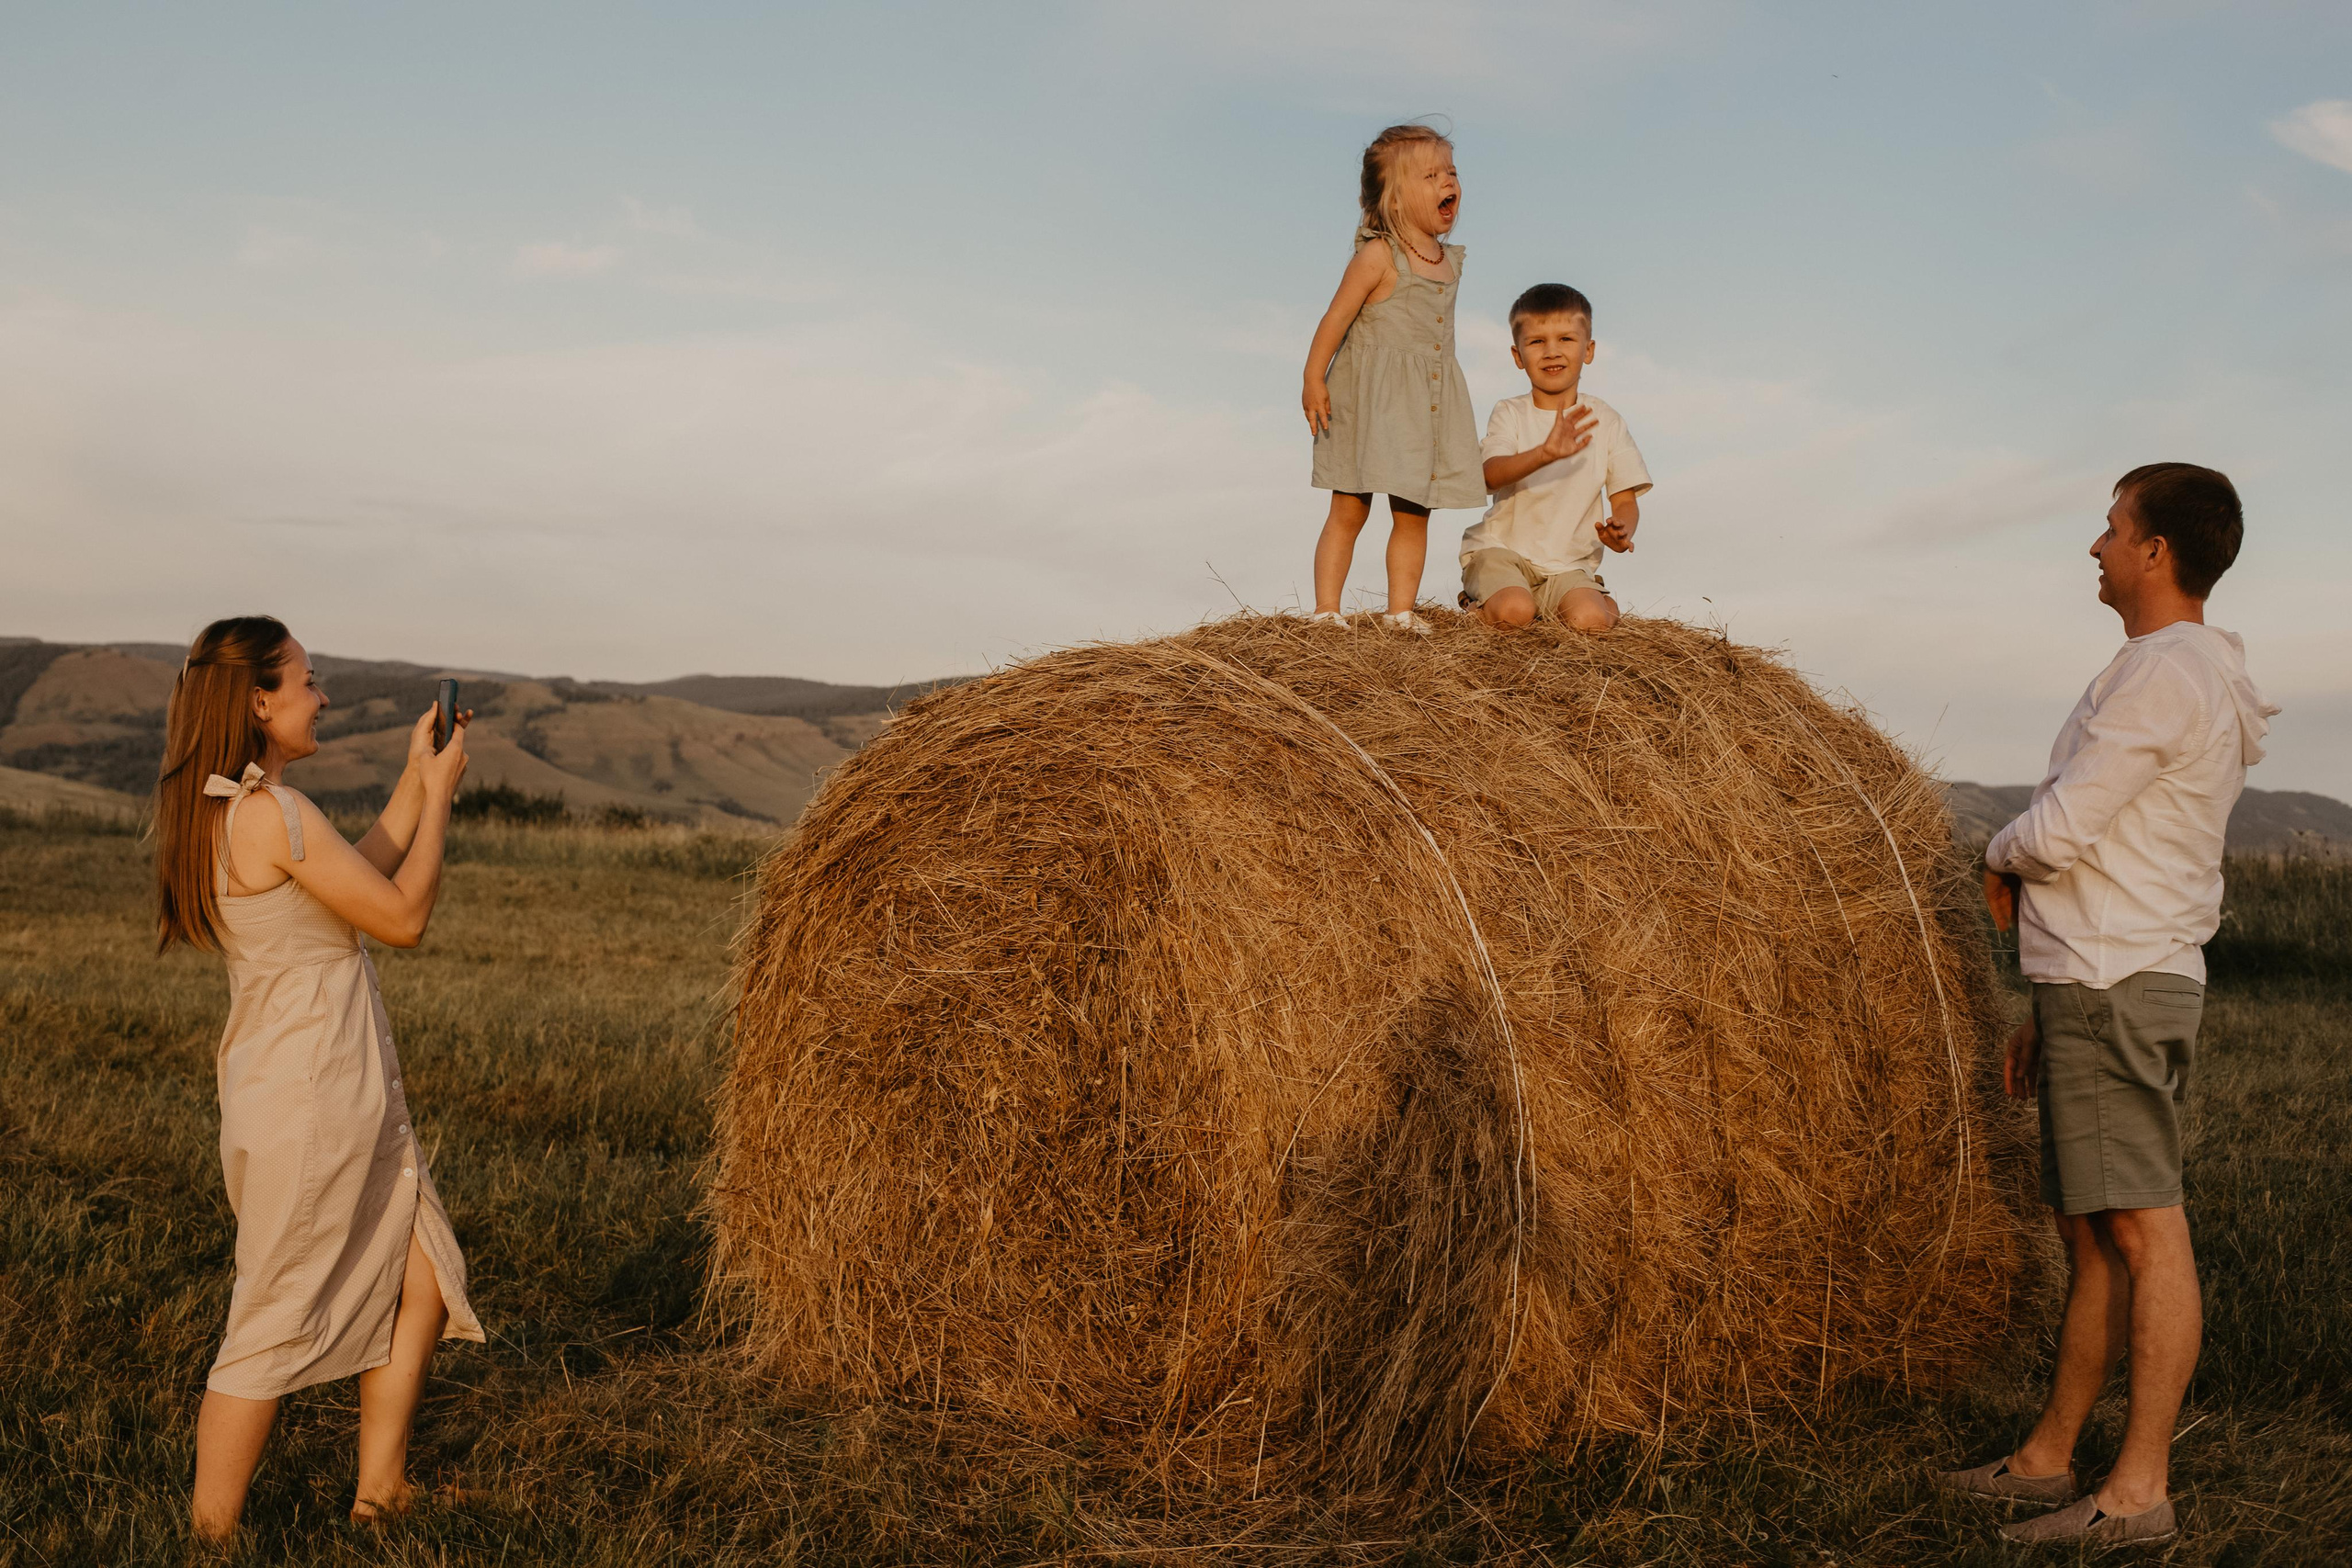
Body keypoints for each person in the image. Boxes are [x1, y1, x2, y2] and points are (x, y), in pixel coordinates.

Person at [1937, 465, 2278, 1549]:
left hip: (2117, 980)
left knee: (2142, 1227)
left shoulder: (2159, 673)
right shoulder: (2193, 671)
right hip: (2107, 976)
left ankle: (2136, 1496)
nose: (2095, 545)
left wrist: (1995, 852)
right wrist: (2046, 995)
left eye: (2110, 526)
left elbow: (2062, 828)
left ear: (2154, 551)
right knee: (2094, 1234)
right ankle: (2048, 1458)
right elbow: (2125, 850)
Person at [154, 615, 486, 1542]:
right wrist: (448, 799)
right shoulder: (274, 815)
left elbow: (361, 875)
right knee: (270, 1317)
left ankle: (382, 1495)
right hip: (315, 1101)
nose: (322, 694)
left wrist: (417, 780)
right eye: (306, 680)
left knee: (419, 1274)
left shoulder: (238, 812)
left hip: (307, 1089)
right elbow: (402, 915)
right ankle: (207, 1540)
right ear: (260, 702)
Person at [1301, 122, 1483, 635]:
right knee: (1349, 507)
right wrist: (1314, 378)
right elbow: (1334, 321)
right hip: (1365, 401)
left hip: (1422, 404)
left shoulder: (1449, 262)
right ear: (1395, 200)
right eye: (1431, 175)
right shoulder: (1378, 256)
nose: (1448, 181)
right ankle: (1326, 611)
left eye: (1451, 171)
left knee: (1414, 512)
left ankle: (1400, 610)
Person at [1458, 283, 1651, 633]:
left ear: (1588, 350)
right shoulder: (1510, 412)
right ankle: (1478, 605)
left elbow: (1624, 497)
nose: (1552, 352)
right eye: (1536, 342)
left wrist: (1622, 530)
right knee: (1515, 611)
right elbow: (1490, 475)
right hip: (1501, 552)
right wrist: (1544, 453)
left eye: (1566, 339)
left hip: (1568, 564)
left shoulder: (1605, 420)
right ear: (1518, 356)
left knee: (1589, 621)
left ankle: (1600, 602)